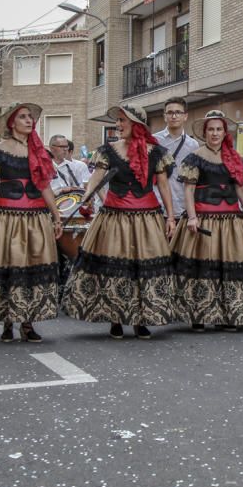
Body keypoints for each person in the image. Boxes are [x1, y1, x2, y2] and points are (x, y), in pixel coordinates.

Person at [64, 103, 177, 340]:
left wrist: (171, 217)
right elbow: (95, 180)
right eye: (117, 121)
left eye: (122, 121)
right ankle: (115, 318)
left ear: (137, 125)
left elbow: (164, 186)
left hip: (147, 217)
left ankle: (140, 319)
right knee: (115, 268)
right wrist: (85, 200)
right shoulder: (107, 150)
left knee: (142, 270)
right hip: (114, 216)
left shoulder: (156, 153)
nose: (118, 125)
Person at [0, 103, 63, 342]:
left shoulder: (40, 152)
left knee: (32, 268)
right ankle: (8, 320)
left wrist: (56, 215)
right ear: (12, 122)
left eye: (31, 117)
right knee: (9, 266)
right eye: (23, 117)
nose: (29, 121)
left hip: (36, 218)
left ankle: (27, 323)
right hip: (6, 217)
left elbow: (45, 187)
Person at [172, 110, 243, 331]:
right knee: (202, 268)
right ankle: (198, 316)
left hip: (230, 221)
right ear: (205, 132)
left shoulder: (234, 157)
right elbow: (188, 191)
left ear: (225, 132)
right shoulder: (195, 157)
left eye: (219, 129)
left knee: (228, 267)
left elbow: (241, 190)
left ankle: (226, 314)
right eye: (211, 129)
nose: (215, 133)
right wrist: (191, 217)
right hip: (203, 220)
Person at [153, 97, 199, 220]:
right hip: (156, 207)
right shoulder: (154, 141)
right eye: (170, 112)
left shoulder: (193, 145)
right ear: (164, 116)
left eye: (178, 112)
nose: (174, 116)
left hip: (182, 208)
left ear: (185, 116)